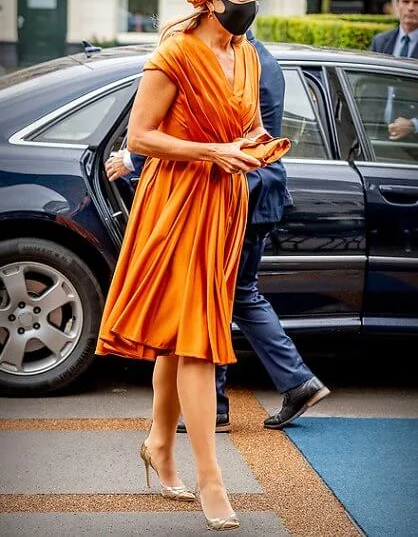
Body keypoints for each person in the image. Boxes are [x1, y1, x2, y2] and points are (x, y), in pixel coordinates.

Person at [96, 0, 270, 531]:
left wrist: (255, 146)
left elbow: (250, 125)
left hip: (223, 206)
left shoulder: (243, 54)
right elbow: (140, 138)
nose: (250, 11)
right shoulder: (174, 53)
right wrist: (213, 152)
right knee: (196, 339)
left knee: (177, 340)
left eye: (255, 1)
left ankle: (158, 445)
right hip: (173, 205)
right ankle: (211, 479)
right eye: (242, 1)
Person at [106, 29, 330, 435]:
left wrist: (133, 159)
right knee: (236, 293)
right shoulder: (261, 58)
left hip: (237, 190)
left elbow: (205, 128)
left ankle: (219, 407)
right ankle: (295, 383)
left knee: (214, 295)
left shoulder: (238, 60)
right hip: (259, 190)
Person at [371, 0, 418, 141]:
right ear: (397, 5)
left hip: (412, 145)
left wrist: (414, 124)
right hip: (376, 136)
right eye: (406, 2)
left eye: (416, 2)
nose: (410, 8)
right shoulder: (380, 42)